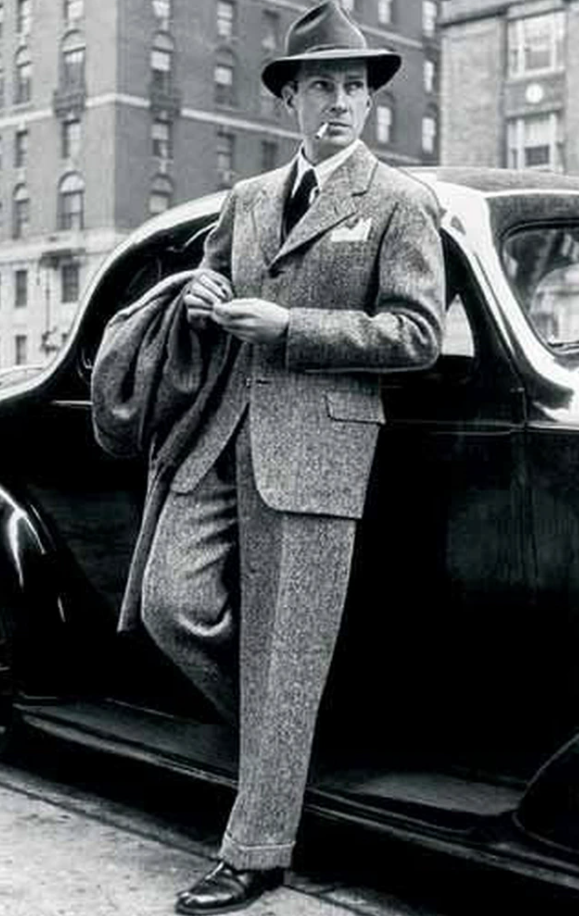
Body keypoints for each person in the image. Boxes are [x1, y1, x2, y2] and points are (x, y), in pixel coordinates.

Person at [139, 3, 446, 912]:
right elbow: (215, 282)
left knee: (285, 657)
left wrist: (291, 328)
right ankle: (291, 738)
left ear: (368, 101)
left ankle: (258, 848)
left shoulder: (399, 202)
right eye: (322, 86)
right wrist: (204, 293)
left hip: (319, 450)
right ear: (291, 101)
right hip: (221, 433)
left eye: (354, 88)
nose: (340, 103)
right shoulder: (247, 200)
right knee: (170, 602)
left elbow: (416, 334)